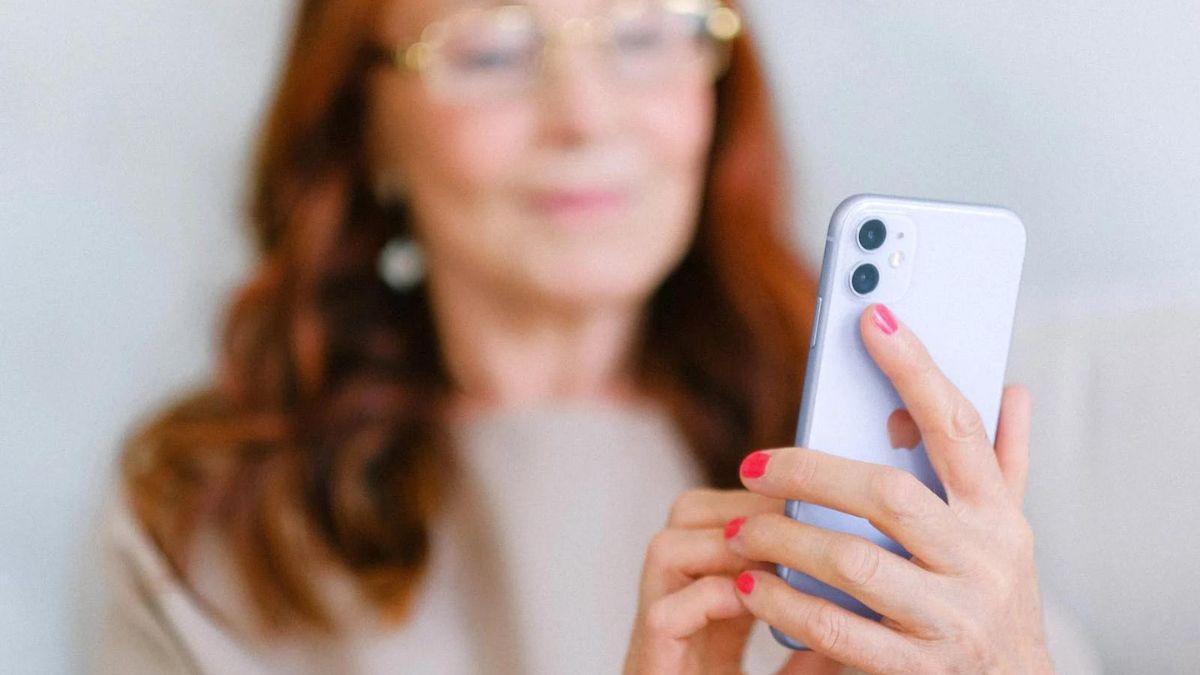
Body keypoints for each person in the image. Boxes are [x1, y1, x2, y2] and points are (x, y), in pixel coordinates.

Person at [81, 0, 1068, 672]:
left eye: (642, 32)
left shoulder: (885, 465)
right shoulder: (209, 514)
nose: (586, 116)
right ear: (363, 123)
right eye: (491, 48)